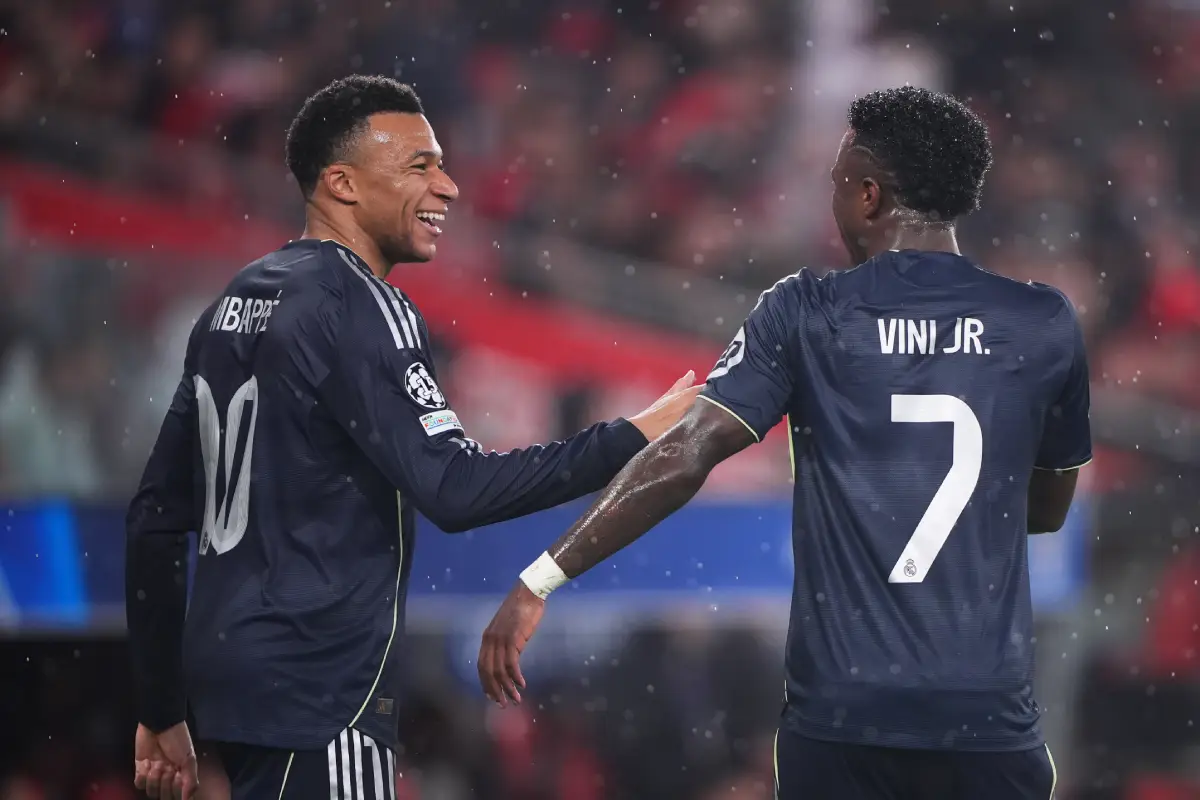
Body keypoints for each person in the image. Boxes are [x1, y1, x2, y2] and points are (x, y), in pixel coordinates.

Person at [479, 86, 1091, 800]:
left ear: (868, 194)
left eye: (835, 180)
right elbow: (1046, 510)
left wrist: (542, 576)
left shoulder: (808, 312)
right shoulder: (1042, 322)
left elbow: (685, 455)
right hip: (986, 718)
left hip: (844, 719)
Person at [124, 74, 699, 800]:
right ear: (342, 184)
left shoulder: (236, 301)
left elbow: (154, 517)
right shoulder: (364, 307)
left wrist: (157, 706)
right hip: (322, 687)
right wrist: (634, 435)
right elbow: (456, 490)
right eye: (419, 165)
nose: (450, 186)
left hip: (231, 682)